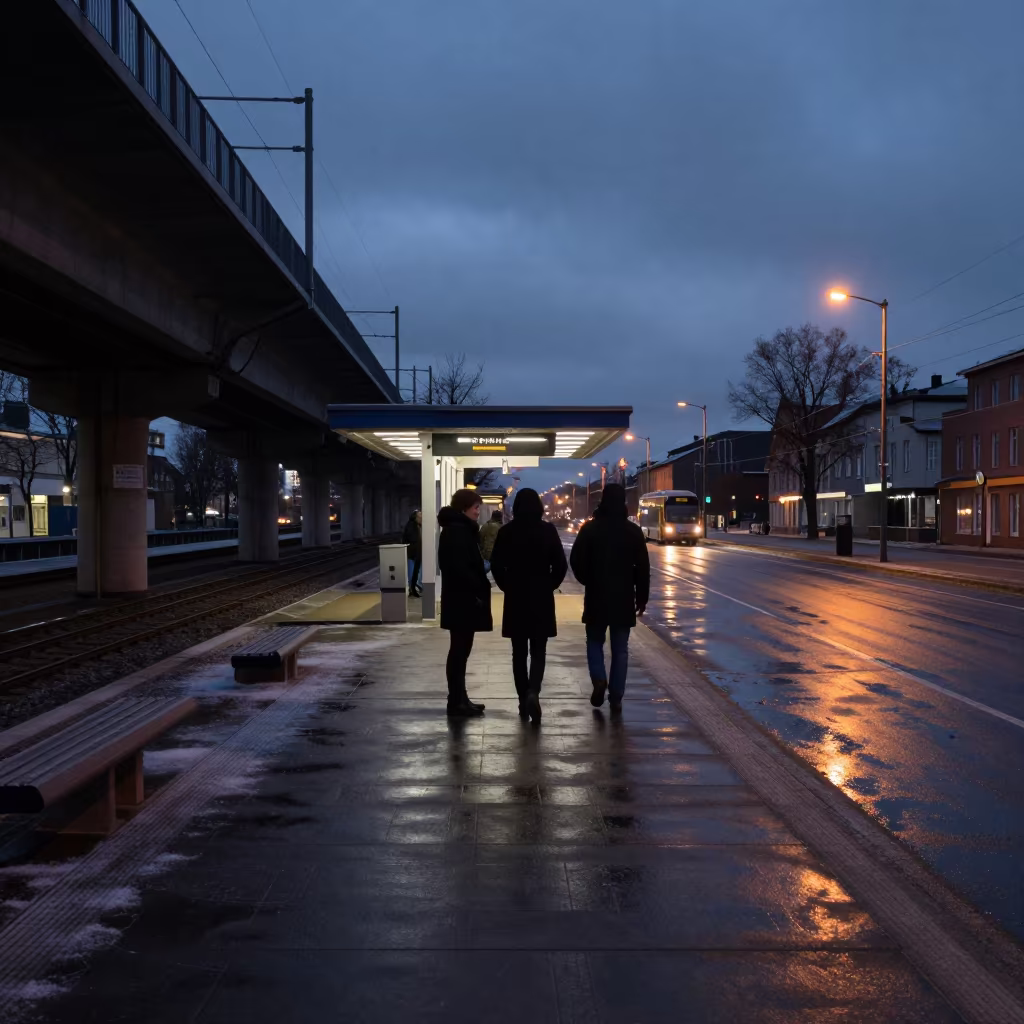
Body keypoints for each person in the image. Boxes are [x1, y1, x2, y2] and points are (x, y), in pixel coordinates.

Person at [569, 483, 650, 714]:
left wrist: (587, 579)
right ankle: (616, 696)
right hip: (623, 597)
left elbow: (575, 560)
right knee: (620, 648)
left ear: (602, 500)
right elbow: (643, 568)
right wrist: (641, 597)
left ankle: (598, 678)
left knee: (594, 641)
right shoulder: (633, 531)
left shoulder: (590, 529)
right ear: (623, 502)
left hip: (596, 595)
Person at [490, 488, 567, 723]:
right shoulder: (548, 530)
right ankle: (534, 691)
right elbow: (561, 565)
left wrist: (507, 586)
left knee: (518, 652)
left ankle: (523, 700)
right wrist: (549, 585)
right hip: (541, 597)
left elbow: (496, 565)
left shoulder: (506, 532)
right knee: (539, 651)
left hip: (516, 597)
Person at [438, 489, 492, 717]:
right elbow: (460, 568)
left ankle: (460, 698)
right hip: (463, 599)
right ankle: (456, 701)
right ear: (463, 508)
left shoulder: (457, 530)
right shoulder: (457, 532)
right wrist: (476, 591)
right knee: (460, 651)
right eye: (475, 507)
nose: (478, 511)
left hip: (461, 599)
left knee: (461, 651)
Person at [403, 510, 422, 597]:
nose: (421, 517)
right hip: (413, 553)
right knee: (412, 572)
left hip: (416, 553)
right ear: (415, 517)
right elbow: (414, 540)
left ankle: (414, 588)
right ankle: (412, 589)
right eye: (420, 516)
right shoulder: (411, 526)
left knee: (415, 572)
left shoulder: (416, 525)